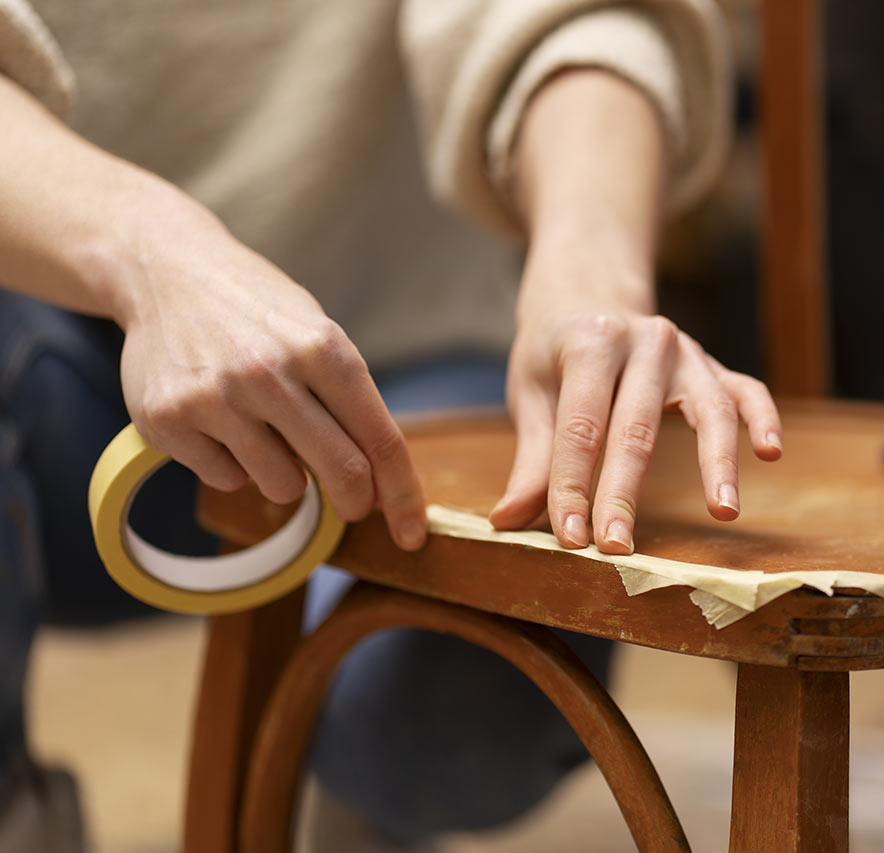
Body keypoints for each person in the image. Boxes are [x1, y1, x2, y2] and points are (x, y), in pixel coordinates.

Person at [0, 0, 781, 849]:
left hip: (406, 362)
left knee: (453, 720)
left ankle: (367, 796)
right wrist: (149, 254)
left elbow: (583, 17)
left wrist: (589, 273)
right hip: (55, 340)